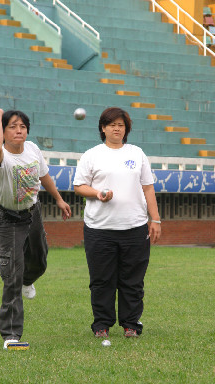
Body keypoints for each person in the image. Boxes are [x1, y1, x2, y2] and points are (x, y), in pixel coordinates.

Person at [0, 104, 71, 350]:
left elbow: (43, 176)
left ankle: (28, 280)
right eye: (12, 127)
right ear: (3, 133)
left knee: (40, 260)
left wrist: (58, 198)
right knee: (12, 276)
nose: (19, 131)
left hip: (32, 213)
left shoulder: (32, 149)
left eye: (22, 126)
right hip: (8, 219)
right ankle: (11, 335)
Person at [73, 107, 161, 339]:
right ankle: (101, 324)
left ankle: (131, 324)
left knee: (132, 280)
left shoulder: (137, 153)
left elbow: (148, 188)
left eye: (121, 125)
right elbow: (79, 186)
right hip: (99, 229)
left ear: (126, 129)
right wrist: (98, 193)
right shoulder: (92, 155)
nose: (116, 128)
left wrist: (156, 219)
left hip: (135, 227)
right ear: (103, 128)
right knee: (101, 280)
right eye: (112, 124)